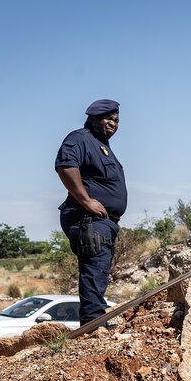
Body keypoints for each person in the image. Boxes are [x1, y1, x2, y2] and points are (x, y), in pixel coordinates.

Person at [55, 99, 127, 325]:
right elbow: (65, 165)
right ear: (93, 118)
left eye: (116, 120)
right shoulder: (81, 138)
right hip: (88, 218)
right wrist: (85, 200)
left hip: (103, 222)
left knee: (99, 268)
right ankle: (93, 323)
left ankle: (95, 318)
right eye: (108, 118)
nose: (113, 124)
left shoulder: (102, 146)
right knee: (95, 267)